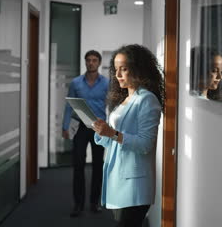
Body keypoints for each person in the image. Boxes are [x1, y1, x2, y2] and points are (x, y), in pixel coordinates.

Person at [92, 44, 164, 227]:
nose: (118, 75)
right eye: (116, 70)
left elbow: (145, 144)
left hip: (135, 183)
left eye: (124, 69)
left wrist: (113, 133)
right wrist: (102, 132)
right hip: (118, 176)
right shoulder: (124, 99)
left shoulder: (147, 99)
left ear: (139, 69)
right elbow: (113, 141)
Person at [62, 50, 109, 217]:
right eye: (88, 60)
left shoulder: (106, 83)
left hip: (98, 128)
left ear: (99, 63)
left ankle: (94, 203)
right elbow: (69, 106)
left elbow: (113, 105)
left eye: (94, 60)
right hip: (80, 127)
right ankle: (78, 204)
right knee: (78, 166)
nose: (91, 63)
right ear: (85, 62)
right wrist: (65, 126)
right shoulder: (76, 83)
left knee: (98, 166)